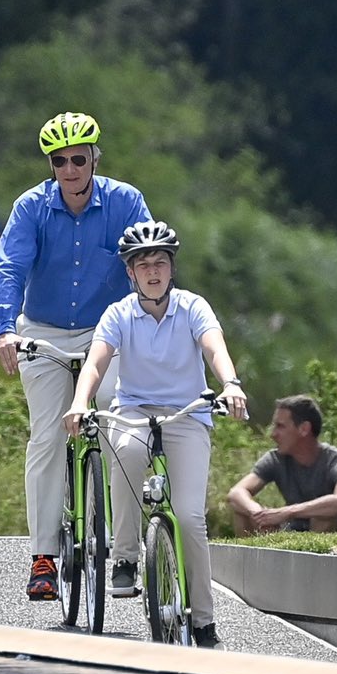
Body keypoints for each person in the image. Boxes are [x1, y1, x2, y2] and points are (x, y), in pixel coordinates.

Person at [0, 111, 152, 602]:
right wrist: (3, 331)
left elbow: (146, 264)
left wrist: (149, 329)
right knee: (47, 434)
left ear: (95, 159)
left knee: (125, 433)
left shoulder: (126, 201)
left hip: (108, 332)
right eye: (59, 161)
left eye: (79, 159)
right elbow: (9, 269)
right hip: (43, 332)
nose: (70, 169)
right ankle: (43, 556)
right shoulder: (30, 207)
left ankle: (125, 555)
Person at [64, 221, 248, 649]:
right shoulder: (119, 314)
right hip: (135, 410)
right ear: (131, 273)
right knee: (125, 452)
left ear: (171, 268)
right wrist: (80, 401)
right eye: (143, 265)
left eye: (160, 263)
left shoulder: (192, 307)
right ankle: (126, 556)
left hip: (187, 415)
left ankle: (204, 623)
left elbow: (214, 346)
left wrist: (232, 383)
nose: (153, 272)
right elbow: (96, 362)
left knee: (189, 518)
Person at [226, 394, 337, 534]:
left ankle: (313, 554)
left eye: (280, 426)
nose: (273, 434)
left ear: (304, 429)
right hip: (293, 531)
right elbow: (236, 492)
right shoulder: (276, 459)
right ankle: (252, 556)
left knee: (324, 515)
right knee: (242, 510)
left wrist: (286, 512)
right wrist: (259, 514)